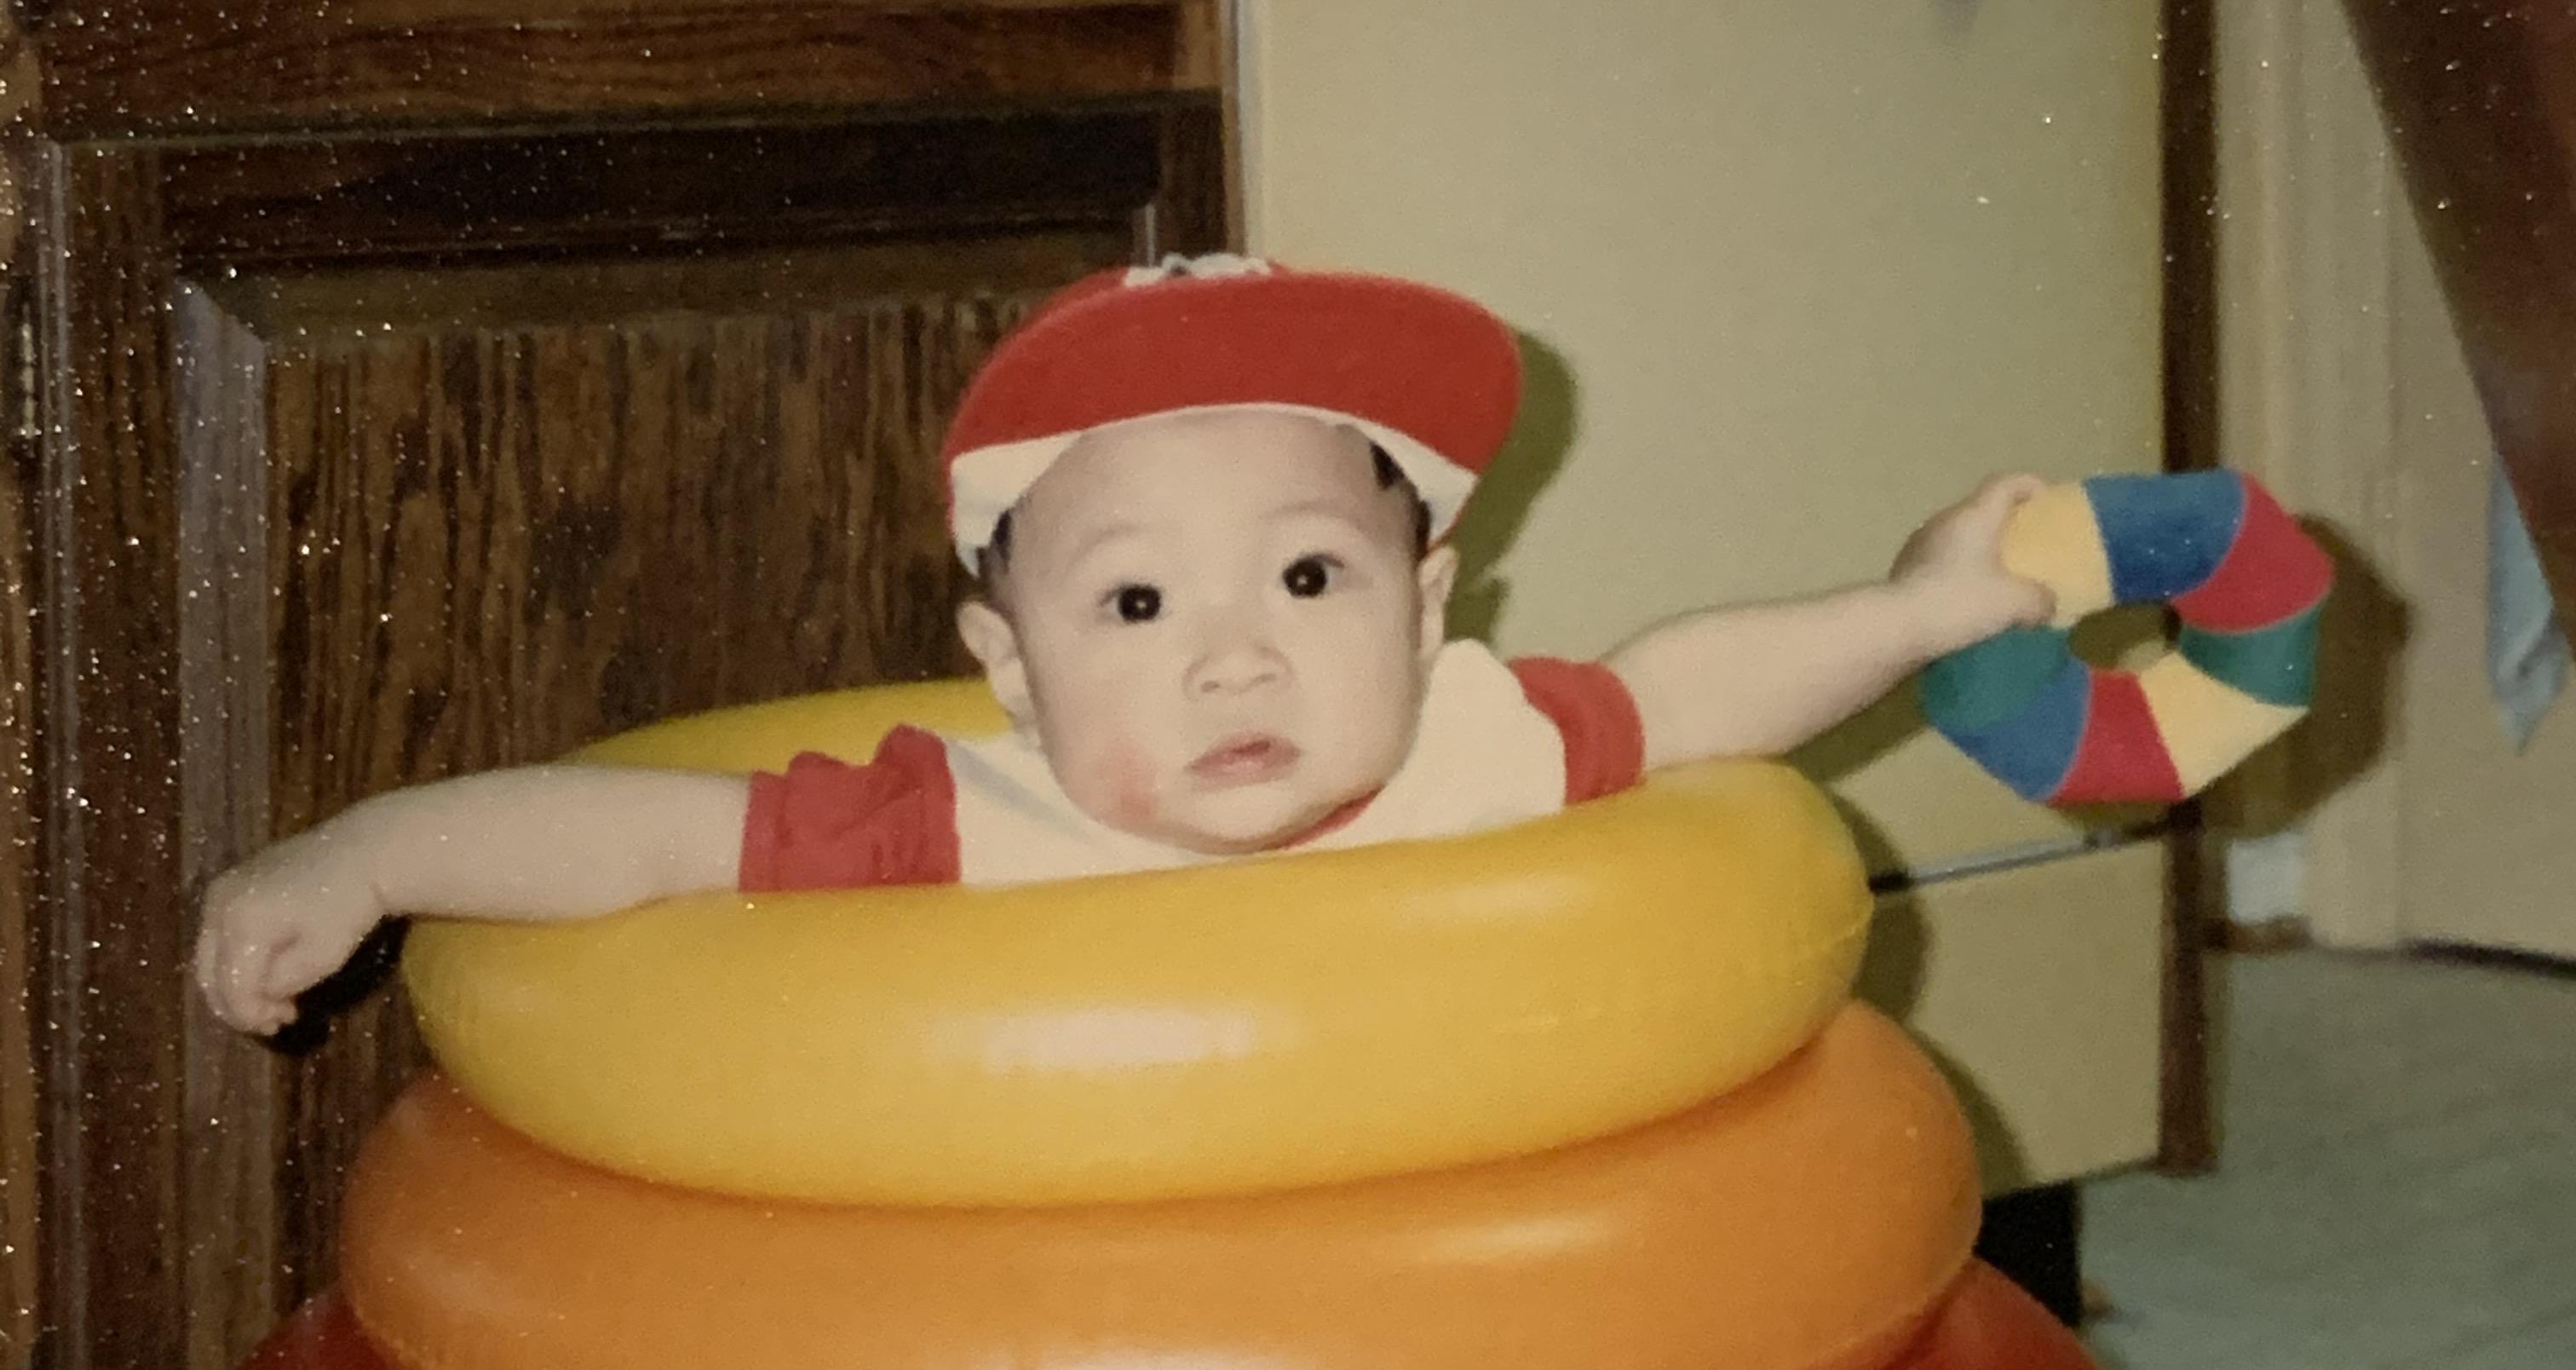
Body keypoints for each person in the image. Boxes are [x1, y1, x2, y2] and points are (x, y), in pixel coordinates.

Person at [194, 255, 2052, 1038]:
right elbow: (653, 833)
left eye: (1309, 579)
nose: (1236, 662)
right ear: (1012, 669)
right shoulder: (975, 822)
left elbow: (1686, 693)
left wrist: (1915, 610)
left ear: (1427, 609)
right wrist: (370, 854)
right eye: (1139, 606)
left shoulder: (1478, 743)